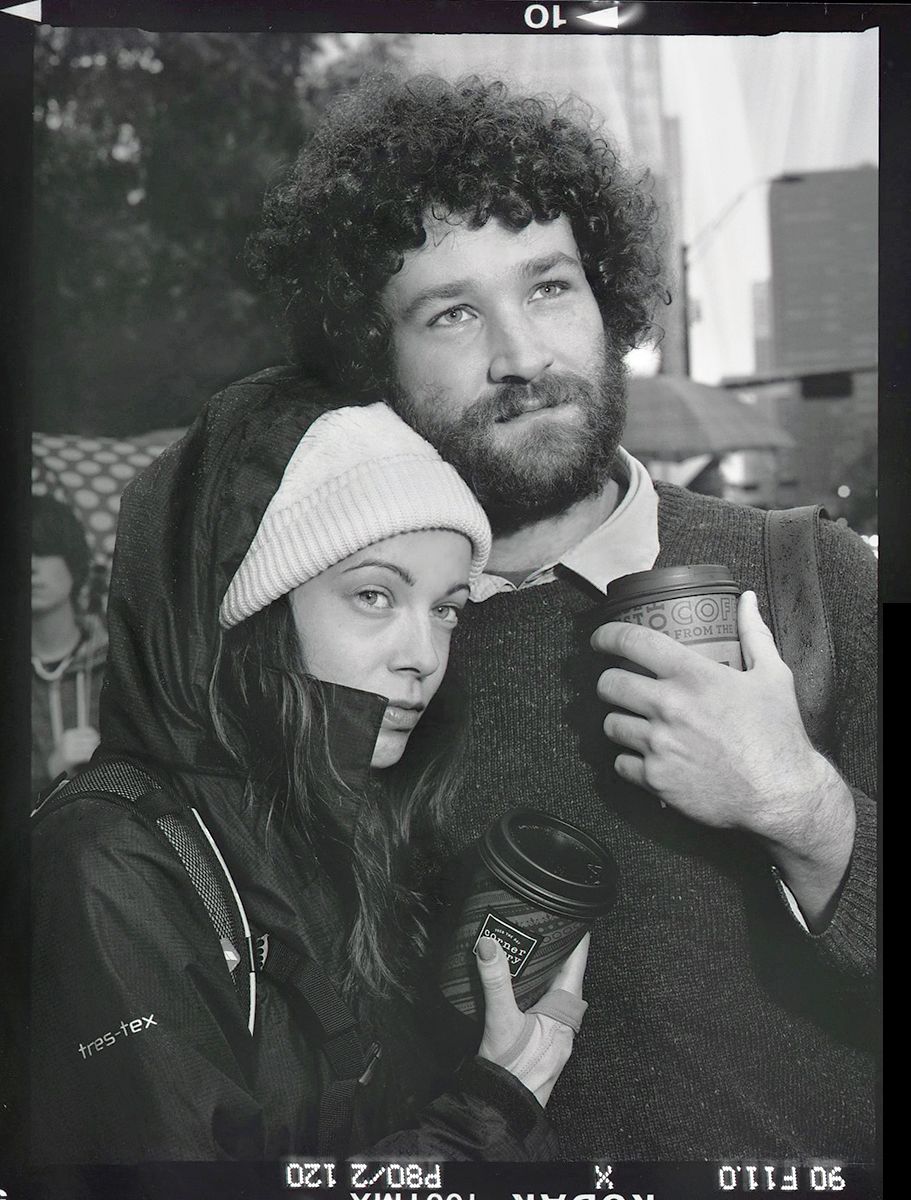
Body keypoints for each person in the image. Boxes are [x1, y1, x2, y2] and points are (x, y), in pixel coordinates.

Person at [235, 73, 878, 1161]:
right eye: (449, 312)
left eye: (548, 288)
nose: (521, 357)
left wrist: (802, 809)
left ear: (608, 300)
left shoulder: (807, 579)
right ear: (368, 359)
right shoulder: (349, 648)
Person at [31, 396, 591, 1164]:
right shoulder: (108, 865)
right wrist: (489, 1110)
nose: (422, 654)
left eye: (447, 610)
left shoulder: (353, 819)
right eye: (373, 595)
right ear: (250, 612)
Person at [31, 493, 106, 796]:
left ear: (73, 561)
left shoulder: (117, 663)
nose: (30, 566)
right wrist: (46, 773)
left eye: (44, 549)